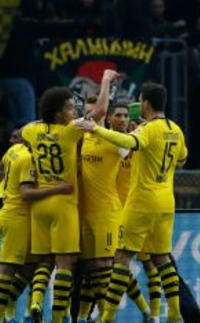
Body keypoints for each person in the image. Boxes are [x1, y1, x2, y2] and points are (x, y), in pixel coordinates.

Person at [81, 82, 187, 323]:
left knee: (121, 256)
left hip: (142, 201)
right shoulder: (175, 129)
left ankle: (108, 316)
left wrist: (95, 129)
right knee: (161, 257)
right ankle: (174, 313)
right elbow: (182, 159)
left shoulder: (147, 129)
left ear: (145, 103)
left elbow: (129, 143)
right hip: (166, 201)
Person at [21, 71, 118, 323]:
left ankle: (35, 302)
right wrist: (105, 81)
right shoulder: (69, 132)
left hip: (39, 206)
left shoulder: (32, 130)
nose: (73, 112)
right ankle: (57, 317)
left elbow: (23, 132)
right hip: (63, 204)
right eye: (68, 108)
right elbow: (100, 111)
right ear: (57, 114)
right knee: (65, 262)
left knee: (44, 261)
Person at [76, 98, 153, 323]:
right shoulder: (84, 139)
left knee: (113, 265)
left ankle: (141, 313)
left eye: (125, 115)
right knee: (93, 267)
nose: (122, 119)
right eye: (118, 115)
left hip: (115, 211)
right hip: (88, 212)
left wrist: (141, 126)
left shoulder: (122, 143)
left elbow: (132, 144)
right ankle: (85, 316)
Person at [0, 128, 73, 323]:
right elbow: (26, 193)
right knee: (8, 267)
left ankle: (17, 313)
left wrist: (5, 190)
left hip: (12, 213)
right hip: (17, 215)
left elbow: (1, 165)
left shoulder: (14, 150)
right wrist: (57, 189)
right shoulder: (29, 159)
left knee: (31, 266)